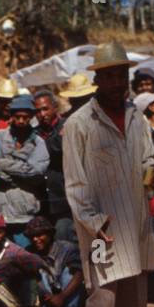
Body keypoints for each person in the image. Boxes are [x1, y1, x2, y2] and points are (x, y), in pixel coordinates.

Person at [55, 42, 154, 307]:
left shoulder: (137, 117)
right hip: (101, 227)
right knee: (102, 300)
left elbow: (148, 159)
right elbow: (75, 182)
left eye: (123, 74)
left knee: (135, 298)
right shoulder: (79, 124)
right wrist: (92, 222)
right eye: (111, 75)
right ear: (97, 79)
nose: (119, 82)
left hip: (135, 221)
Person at [0, 94, 49, 240]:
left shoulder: (38, 143)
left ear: (31, 117)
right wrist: (20, 172)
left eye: (25, 117)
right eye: (17, 117)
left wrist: (3, 164)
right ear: (11, 116)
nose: (21, 121)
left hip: (23, 210)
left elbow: (36, 172)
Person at [46, 73, 98, 245]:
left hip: (97, 198)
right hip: (68, 200)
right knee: (65, 239)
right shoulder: (64, 123)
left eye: (84, 99)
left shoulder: (100, 120)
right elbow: (53, 148)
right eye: (77, 100)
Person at [27, 215, 85, 307]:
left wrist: (62, 296)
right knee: (36, 274)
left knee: (70, 272)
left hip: (67, 293)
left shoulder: (67, 248)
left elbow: (79, 275)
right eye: (32, 236)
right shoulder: (29, 252)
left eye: (39, 235)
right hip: (47, 296)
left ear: (49, 234)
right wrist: (49, 296)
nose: (35, 239)